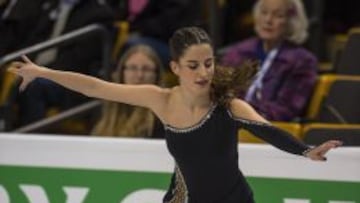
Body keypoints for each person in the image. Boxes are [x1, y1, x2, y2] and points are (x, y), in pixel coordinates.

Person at [9, 26, 342, 203]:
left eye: (208, 63)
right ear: (175, 67)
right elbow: (96, 88)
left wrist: (305, 151)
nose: (203, 72)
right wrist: (43, 72)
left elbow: (269, 131)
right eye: (193, 65)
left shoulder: (228, 106)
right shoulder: (161, 100)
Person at [220, 0, 318, 121]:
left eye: (278, 15)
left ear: (292, 21)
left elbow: (286, 109)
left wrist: (245, 115)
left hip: (270, 128)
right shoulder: (237, 53)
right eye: (264, 12)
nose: (268, 20)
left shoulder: (302, 61)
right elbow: (221, 95)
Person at [91, 45, 164, 138]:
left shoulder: (163, 115)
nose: (140, 75)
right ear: (122, 73)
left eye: (146, 69)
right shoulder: (104, 109)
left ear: (157, 75)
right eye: (133, 68)